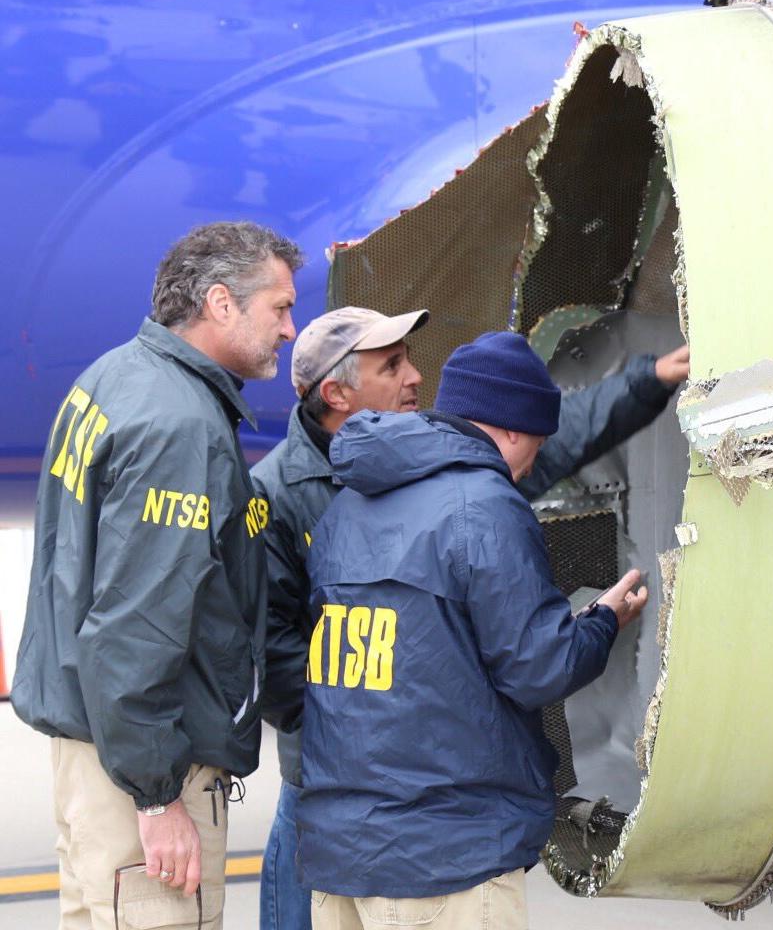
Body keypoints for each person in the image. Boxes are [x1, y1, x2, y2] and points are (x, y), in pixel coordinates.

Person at [255, 308, 687, 930]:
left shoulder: (353, 499)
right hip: (443, 851)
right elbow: (539, 666)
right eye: (392, 363)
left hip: (345, 839)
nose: (412, 377)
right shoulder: (479, 502)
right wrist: (600, 621)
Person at [13, 221, 302, 930]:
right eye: (280, 307)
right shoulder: (180, 427)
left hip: (90, 749)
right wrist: (156, 797)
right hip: (138, 769)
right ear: (221, 303)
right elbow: (136, 625)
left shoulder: (113, 375)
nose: (291, 330)